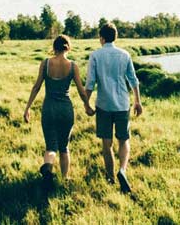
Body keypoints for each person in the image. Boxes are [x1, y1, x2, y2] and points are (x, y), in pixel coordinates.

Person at [23, 35, 92, 182]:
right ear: (68, 48)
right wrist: (87, 106)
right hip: (66, 110)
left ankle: (48, 167)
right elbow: (81, 91)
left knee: (51, 146)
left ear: (54, 48)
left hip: (49, 109)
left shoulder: (45, 63)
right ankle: (65, 178)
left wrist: (27, 107)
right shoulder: (73, 66)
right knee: (64, 146)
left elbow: (36, 87)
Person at [84, 23, 143, 194]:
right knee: (124, 140)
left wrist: (86, 103)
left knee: (106, 144)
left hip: (103, 104)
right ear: (115, 37)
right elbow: (133, 80)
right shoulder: (124, 55)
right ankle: (122, 170)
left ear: (101, 38)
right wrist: (137, 101)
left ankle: (110, 178)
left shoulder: (95, 55)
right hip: (122, 104)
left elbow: (90, 83)